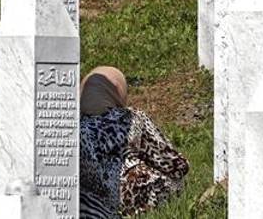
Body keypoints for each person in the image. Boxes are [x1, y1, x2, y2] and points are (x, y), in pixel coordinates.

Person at [79, 66, 189, 218]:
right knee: (177, 181)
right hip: (135, 195)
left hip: (93, 207)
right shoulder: (130, 119)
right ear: (117, 90)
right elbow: (172, 163)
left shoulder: (74, 128)